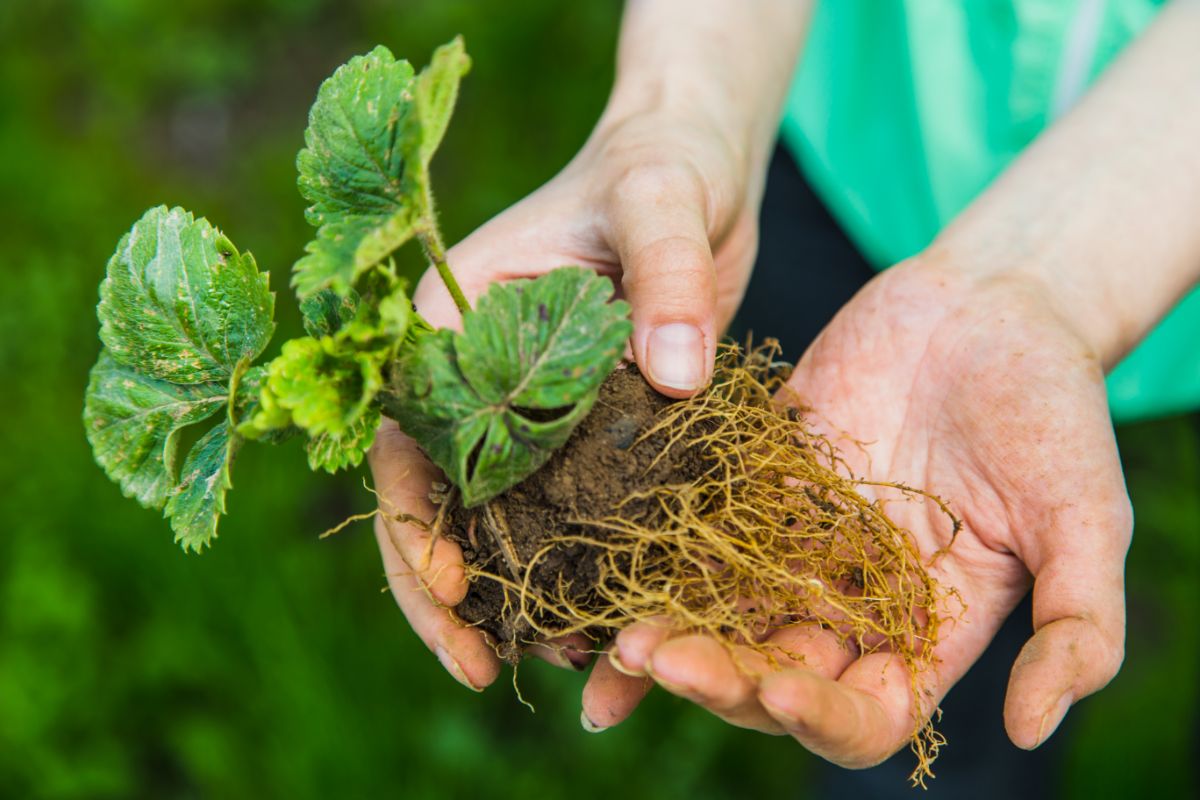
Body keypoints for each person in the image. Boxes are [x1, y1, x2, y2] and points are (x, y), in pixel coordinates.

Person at [367, 0, 1200, 777]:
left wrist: (1056, 274)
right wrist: (678, 109)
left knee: (937, 589)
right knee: (868, 621)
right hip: (856, 130)